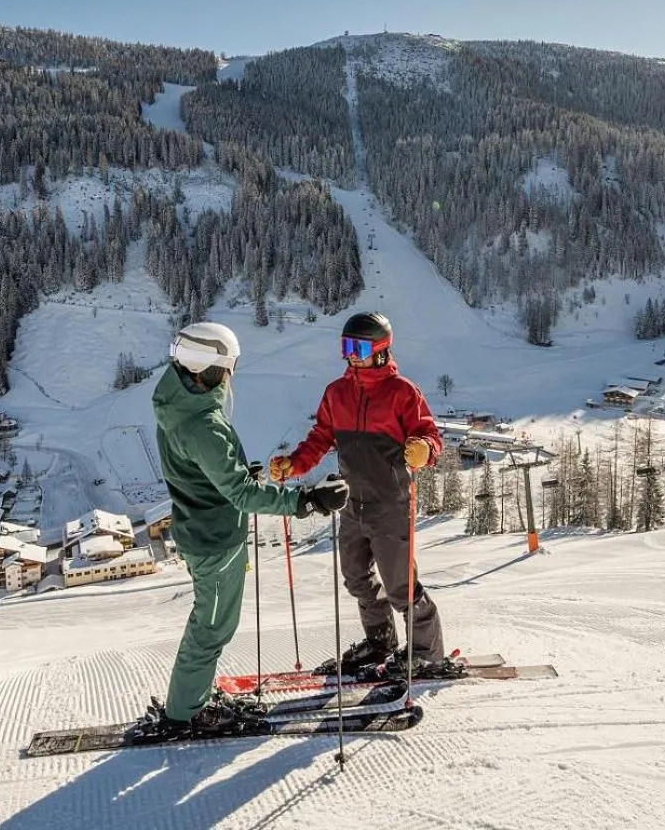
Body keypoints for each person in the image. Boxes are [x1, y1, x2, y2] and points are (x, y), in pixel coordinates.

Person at [138, 321, 350, 742]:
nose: (231, 376)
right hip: (214, 539)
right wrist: (303, 501)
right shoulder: (204, 425)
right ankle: (183, 714)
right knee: (211, 626)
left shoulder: (179, 405)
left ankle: (193, 698)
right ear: (213, 369)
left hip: (204, 529)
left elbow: (210, 473)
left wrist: (235, 474)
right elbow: (241, 496)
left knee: (216, 622)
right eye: (229, 367)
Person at [270, 311, 450, 675]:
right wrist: (294, 465)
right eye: (346, 347)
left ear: (381, 349)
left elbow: (430, 436)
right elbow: (320, 438)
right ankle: (380, 642)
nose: (351, 355)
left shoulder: (402, 392)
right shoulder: (337, 393)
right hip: (354, 503)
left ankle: (426, 652)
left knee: (401, 586)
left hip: (391, 504)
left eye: (359, 347)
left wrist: (425, 450)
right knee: (355, 577)